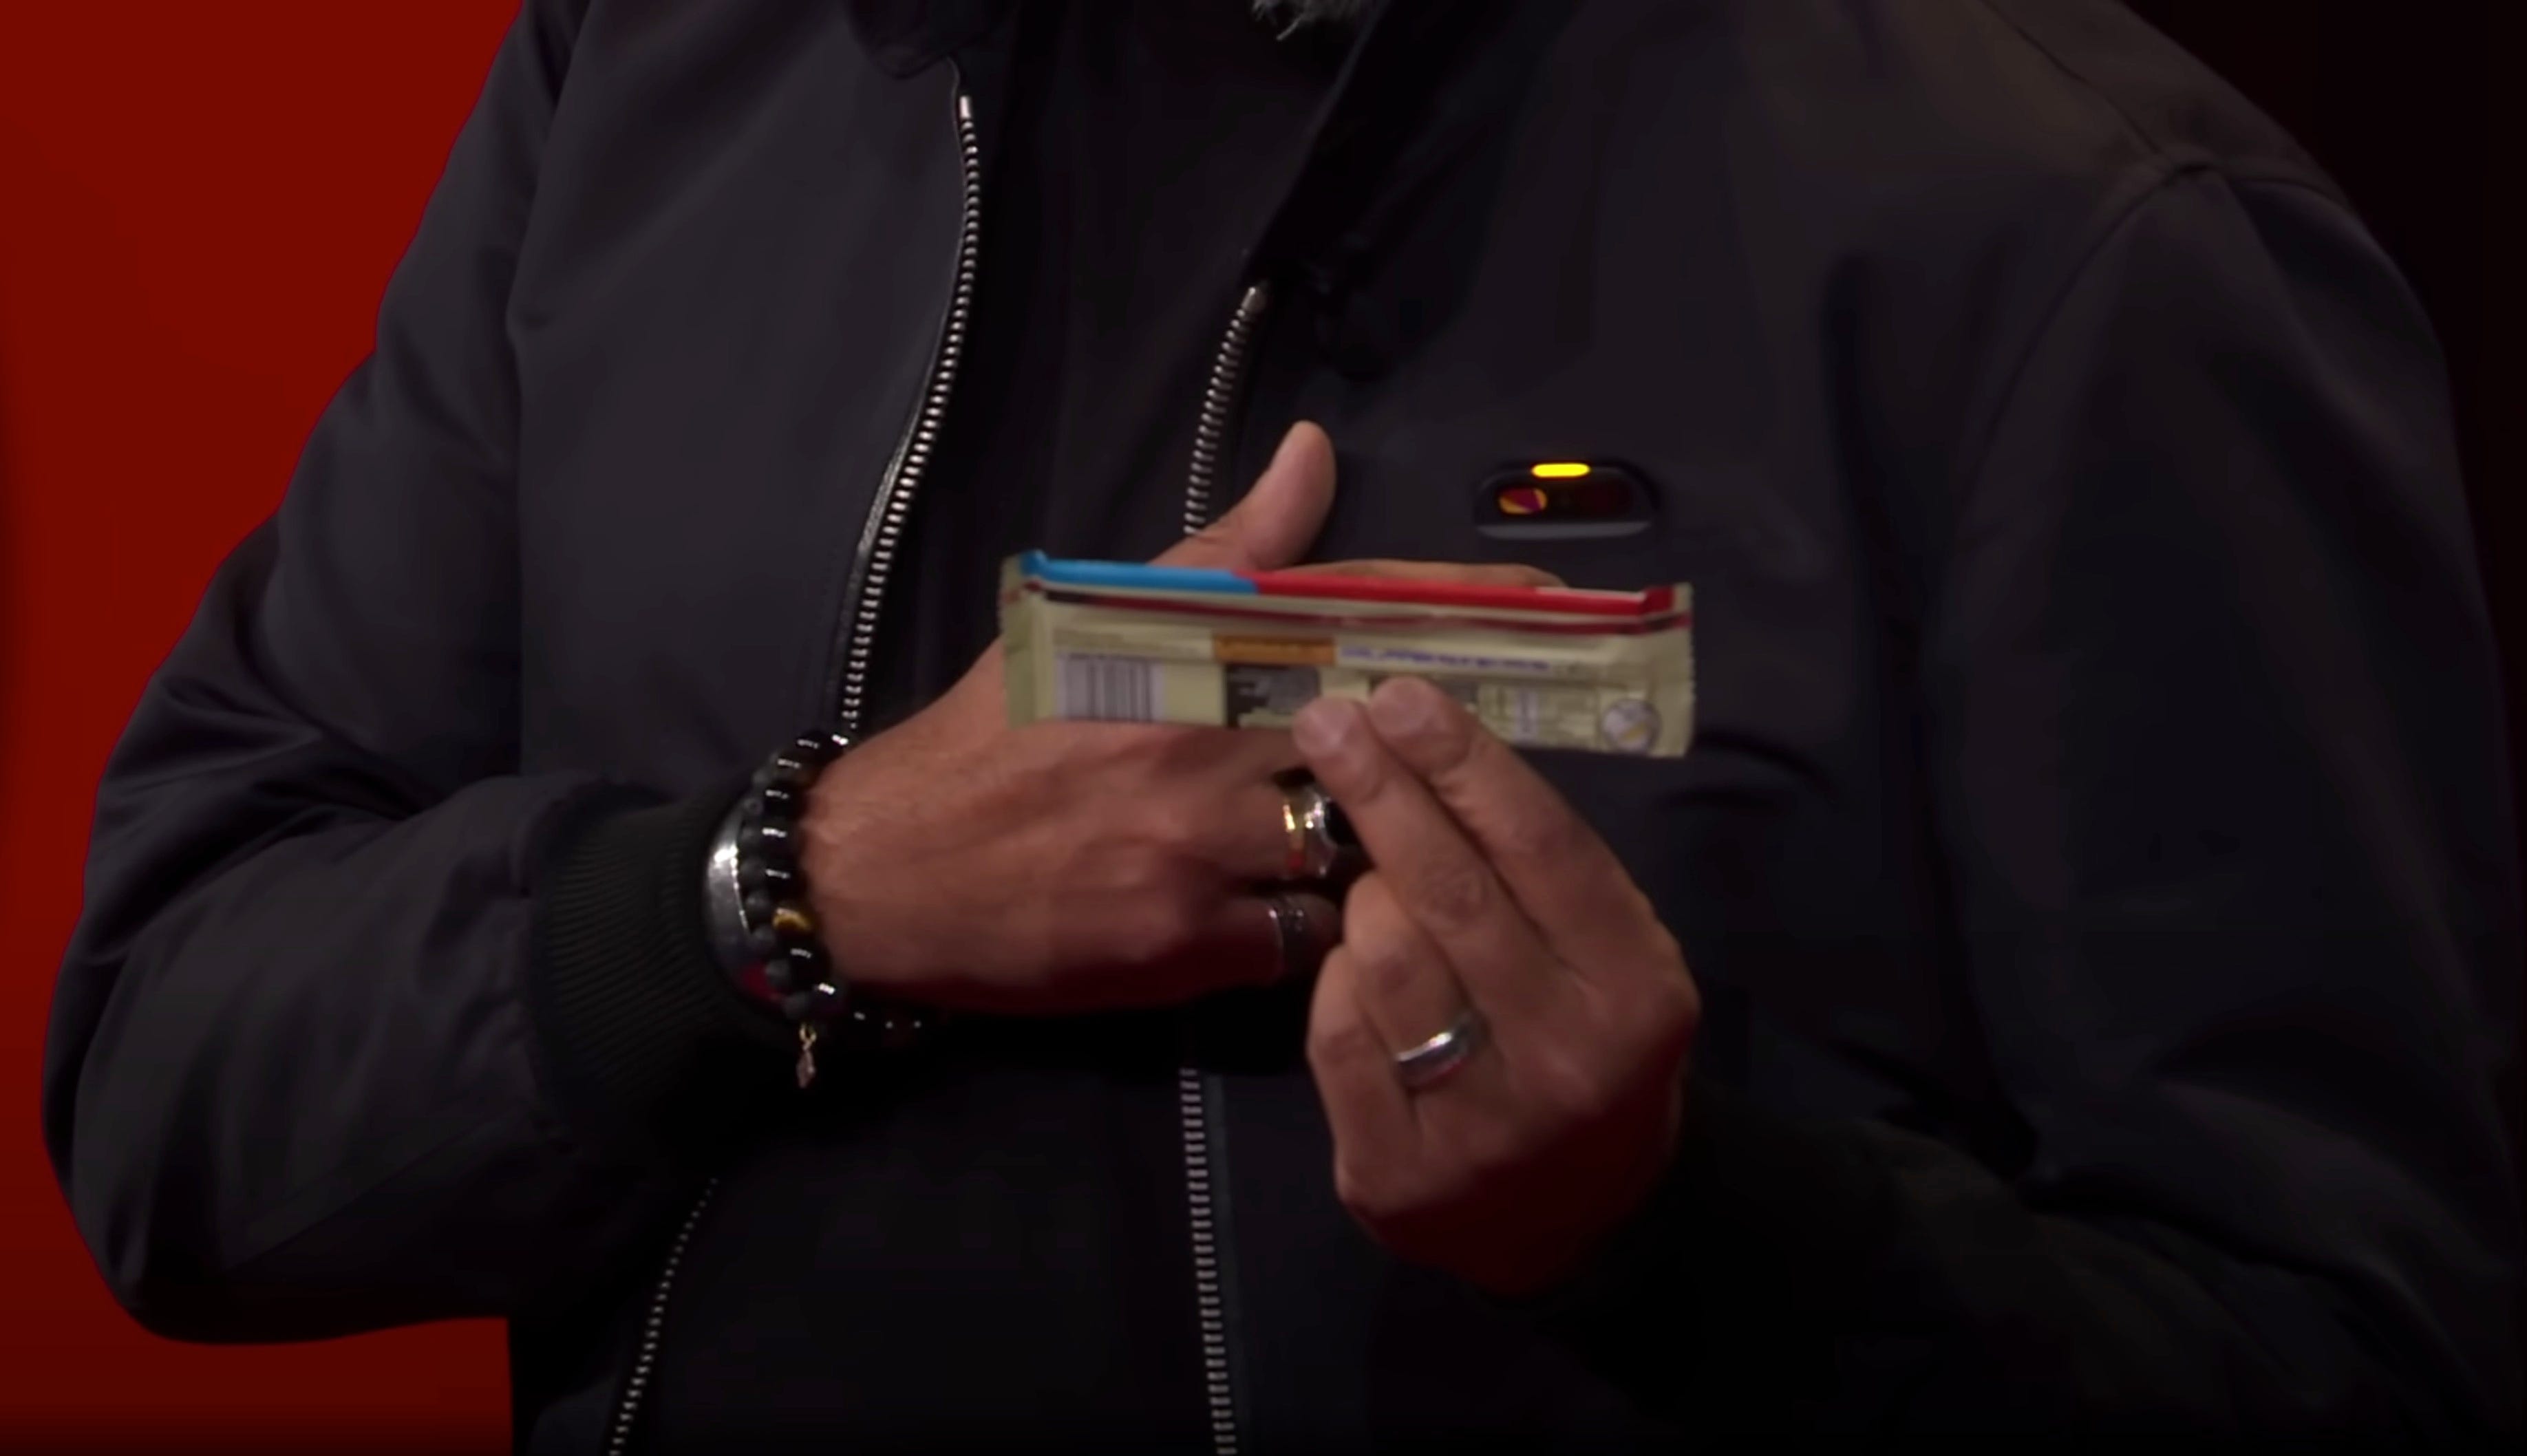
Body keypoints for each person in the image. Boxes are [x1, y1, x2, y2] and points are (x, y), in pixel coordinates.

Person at [41, 0, 2521, 1447]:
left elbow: (2351, 1356)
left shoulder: (2071, 228)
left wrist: (1665, 1234)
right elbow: (174, 1089)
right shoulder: (656, 79)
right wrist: (791, 892)